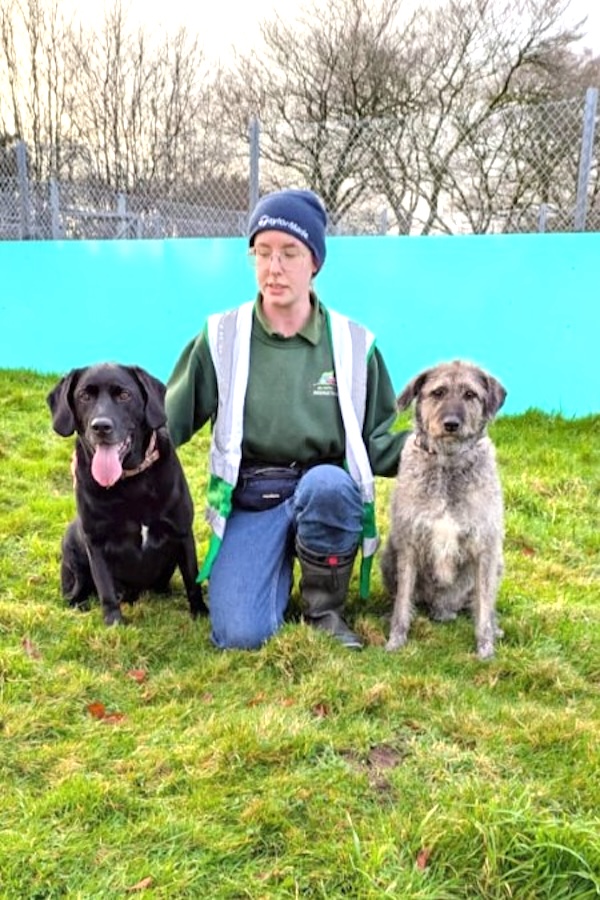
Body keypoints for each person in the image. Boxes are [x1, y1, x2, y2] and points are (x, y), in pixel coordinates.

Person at [165, 189, 407, 651]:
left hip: (322, 492)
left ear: (314, 261)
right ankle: (263, 574)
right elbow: (168, 422)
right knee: (240, 634)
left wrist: (435, 450)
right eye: (263, 252)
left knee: (330, 487)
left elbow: (376, 442)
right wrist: (113, 454)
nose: (273, 268)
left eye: (289, 253)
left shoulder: (354, 344)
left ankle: (323, 608)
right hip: (254, 493)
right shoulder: (222, 335)